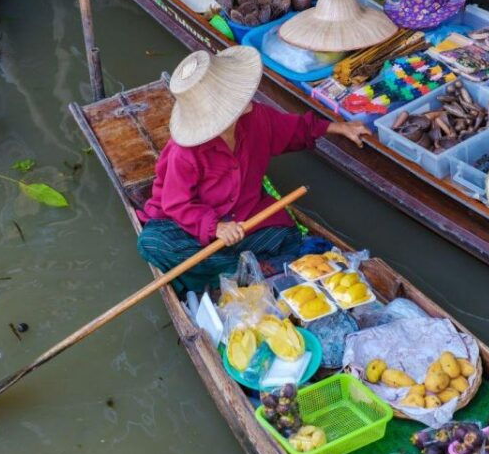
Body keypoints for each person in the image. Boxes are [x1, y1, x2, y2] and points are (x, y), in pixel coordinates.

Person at [136, 46, 370, 295]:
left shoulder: (257, 118)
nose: (247, 97)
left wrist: (337, 128)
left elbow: (295, 128)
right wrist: (215, 228)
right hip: (189, 225)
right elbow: (176, 203)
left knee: (288, 237)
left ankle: (231, 271)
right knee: (152, 243)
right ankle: (237, 271)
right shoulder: (184, 152)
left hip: (245, 217)